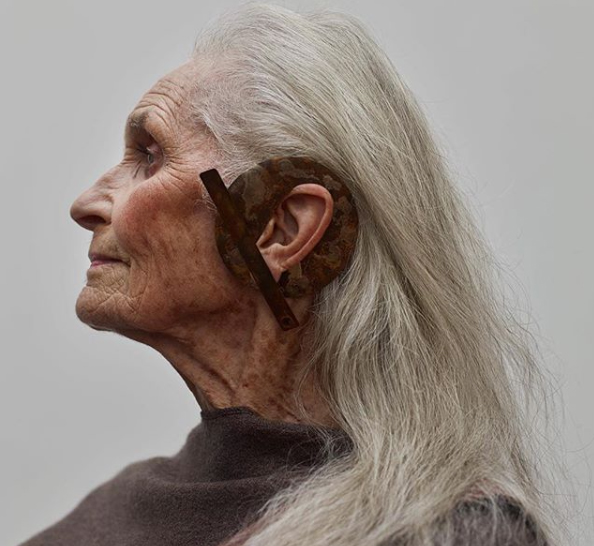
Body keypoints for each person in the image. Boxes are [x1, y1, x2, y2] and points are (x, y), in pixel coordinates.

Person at [19, 3, 560, 545]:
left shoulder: (447, 532)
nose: (87, 202)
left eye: (151, 155)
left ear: (280, 229)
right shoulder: (102, 521)